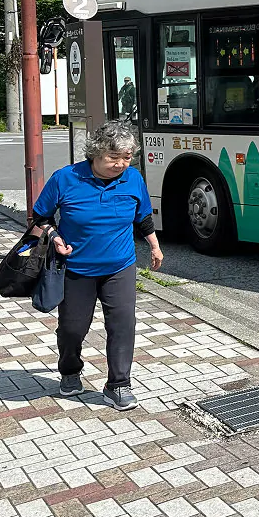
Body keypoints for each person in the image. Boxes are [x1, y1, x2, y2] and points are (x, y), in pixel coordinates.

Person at [27, 119, 163, 410]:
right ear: (95, 153)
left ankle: (118, 385)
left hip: (120, 267)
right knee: (72, 328)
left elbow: (143, 216)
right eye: (113, 158)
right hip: (77, 268)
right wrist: (54, 236)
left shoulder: (133, 178)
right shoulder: (66, 179)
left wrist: (154, 244)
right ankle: (70, 370)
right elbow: (40, 217)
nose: (120, 164)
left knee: (123, 325)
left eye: (126, 157)